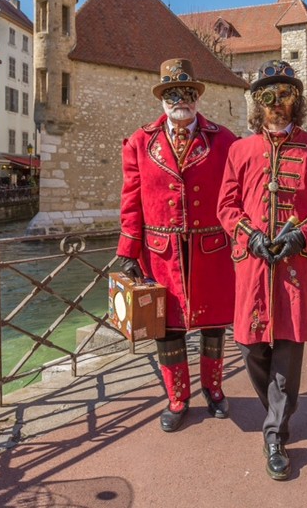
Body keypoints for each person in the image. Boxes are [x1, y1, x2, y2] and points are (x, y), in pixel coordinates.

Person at [218, 60, 307, 481]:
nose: (277, 105)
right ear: (258, 104)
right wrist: (246, 233)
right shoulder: (239, 151)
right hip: (252, 268)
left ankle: (275, 433)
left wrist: (303, 234)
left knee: (287, 348)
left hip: (294, 268)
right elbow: (226, 206)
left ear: (296, 101)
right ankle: (276, 412)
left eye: (285, 96)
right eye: (269, 97)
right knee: (251, 348)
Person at [117, 58, 238, 432]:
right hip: (160, 251)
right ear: (162, 100)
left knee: (214, 325)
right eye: (172, 94)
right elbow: (131, 198)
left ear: (197, 98)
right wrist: (127, 249)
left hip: (211, 249)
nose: (179, 101)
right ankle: (177, 397)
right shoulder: (140, 142)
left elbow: (236, 194)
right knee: (166, 328)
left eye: (186, 93)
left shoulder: (224, 139)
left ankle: (213, 390)